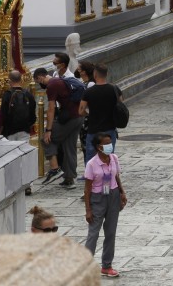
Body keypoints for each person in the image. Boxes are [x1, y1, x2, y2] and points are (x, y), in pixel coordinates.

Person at [84, 132, 127, 279]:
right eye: (106, 144)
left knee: (110, 232)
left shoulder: (113, 158)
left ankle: (107, 265)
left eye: (110, 143)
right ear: (98, 147)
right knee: (93, 233)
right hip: (97, 198)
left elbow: (116, 176)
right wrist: (88, 209)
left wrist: (122, 193)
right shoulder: (91, 164)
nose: (110, 146)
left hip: (113, 195)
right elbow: (87, 188)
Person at [34, 62, 83, 187]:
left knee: (45, 140)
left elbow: (51, 109)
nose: (39, 84)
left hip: (70, 119)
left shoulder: (52, 85)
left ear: (40, 77)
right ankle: (69, 179)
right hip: (78, 117)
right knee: (69, 147)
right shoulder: (60, 80)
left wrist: (48, 130)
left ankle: (55, 169)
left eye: (37, 81)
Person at [80, 64, 124, 166]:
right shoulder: (114, 89)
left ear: (95, 74)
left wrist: (89, 114)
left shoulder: (89, 91)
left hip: (93, 129)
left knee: (91, 157)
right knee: (108, 155)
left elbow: (81, 111)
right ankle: (108, 176)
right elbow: (121, 104)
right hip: (110, 128)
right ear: (107, 74)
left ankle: (92, 178)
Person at [0, 70, 36, 141]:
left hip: (10, 130)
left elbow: (3, 114)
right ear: (21, 79)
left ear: (9, 80)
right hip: (25, 130)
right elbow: (32, 113)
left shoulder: (7, 95)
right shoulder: (28, 94)